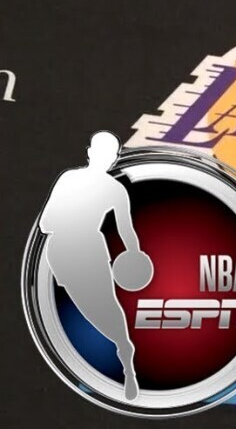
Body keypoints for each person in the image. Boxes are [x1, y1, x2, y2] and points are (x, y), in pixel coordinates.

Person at [38, 131, 149, 401]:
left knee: (104, 306)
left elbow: (126, 231)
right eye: (104, 153)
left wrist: (135, 255)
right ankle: (122, 348)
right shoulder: (73, 180)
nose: (106, 158)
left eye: (109, 154)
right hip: (67, 250)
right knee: (94, 309)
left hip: (86, 250)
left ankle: (124, 353)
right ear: (92, 153)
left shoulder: (112, 189)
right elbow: (45, 223)